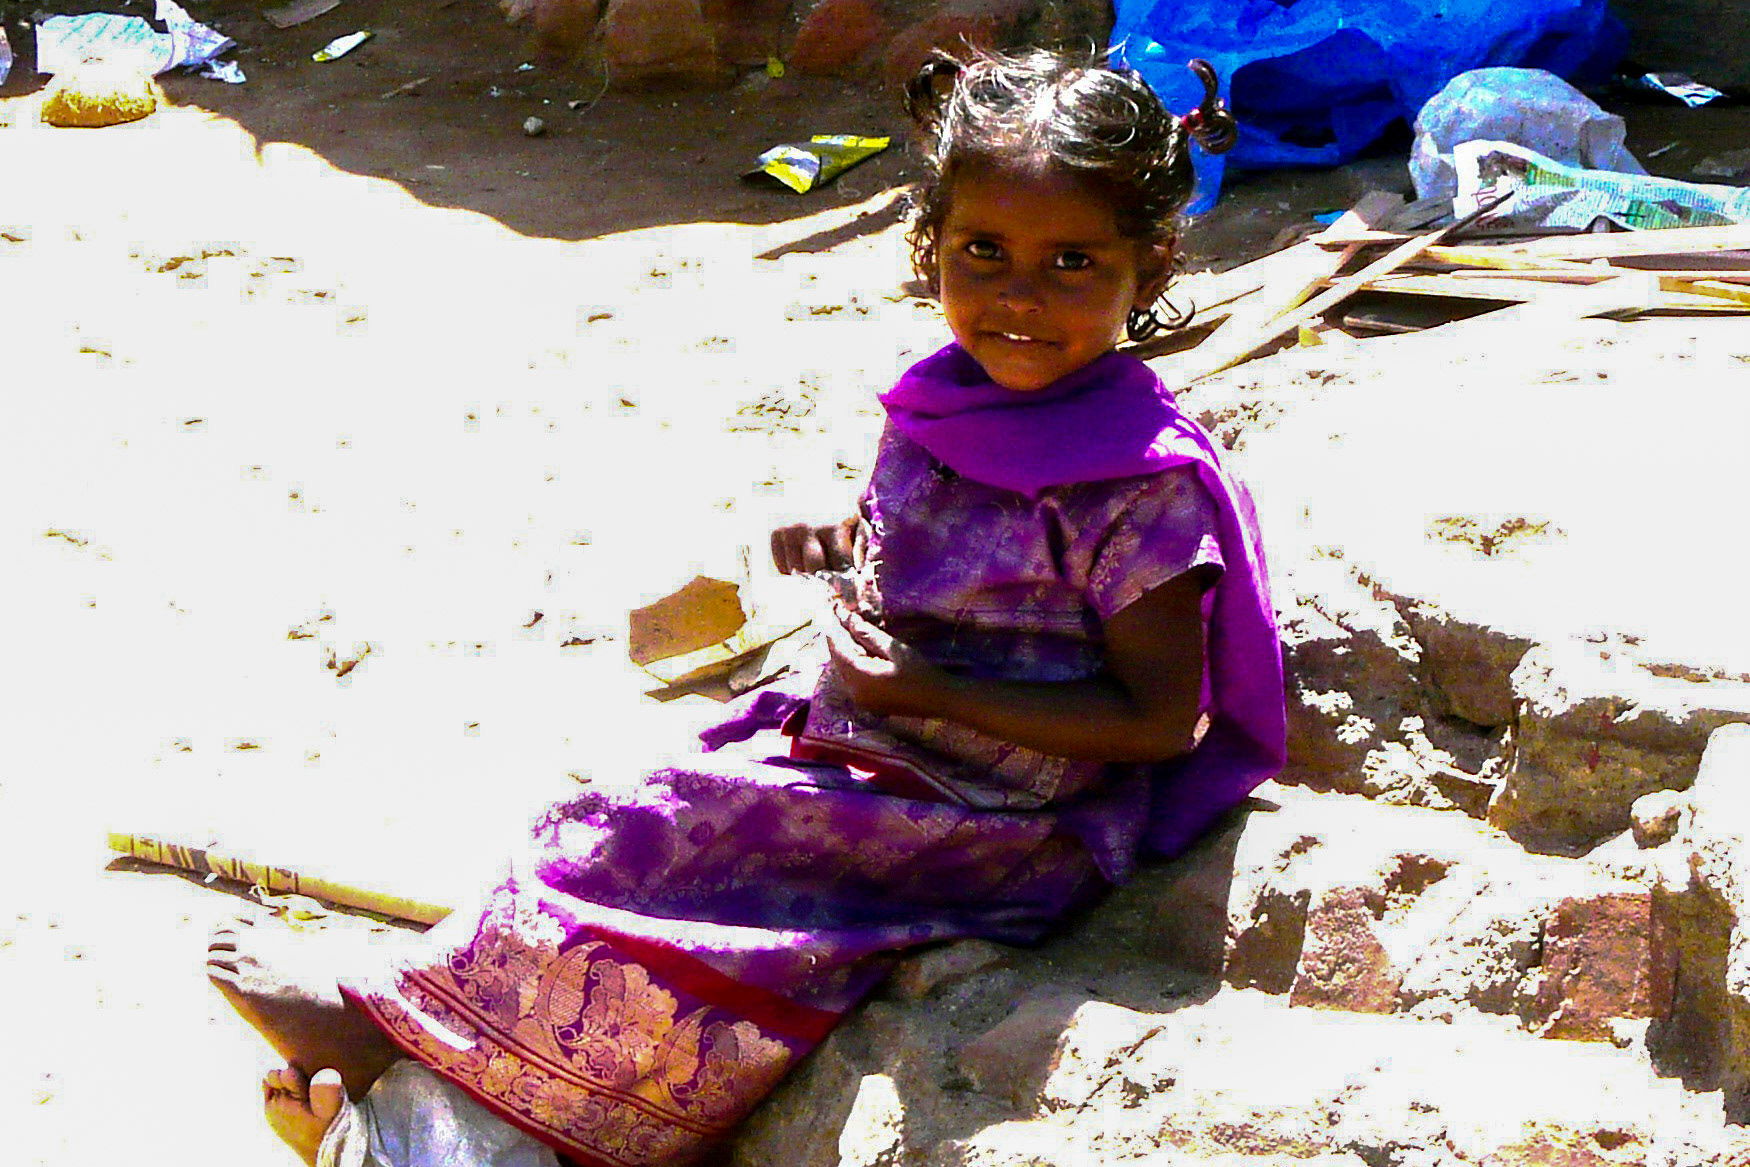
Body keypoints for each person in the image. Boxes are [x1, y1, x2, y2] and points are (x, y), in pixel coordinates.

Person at [205, 44, 1285, 1167]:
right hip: (881, 744)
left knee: (712, 915)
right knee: (611, 827)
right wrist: (850, 554)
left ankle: (425, 1064)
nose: (1020, 295)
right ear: (927, 247)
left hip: (1002, 816)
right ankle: (447, 1069)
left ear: (1149, 269)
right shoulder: (941, 402)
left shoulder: (1137, 483)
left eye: (1072, 261)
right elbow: (937, 553)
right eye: (983, 251)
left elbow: (1159, 725)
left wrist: (920, 687)